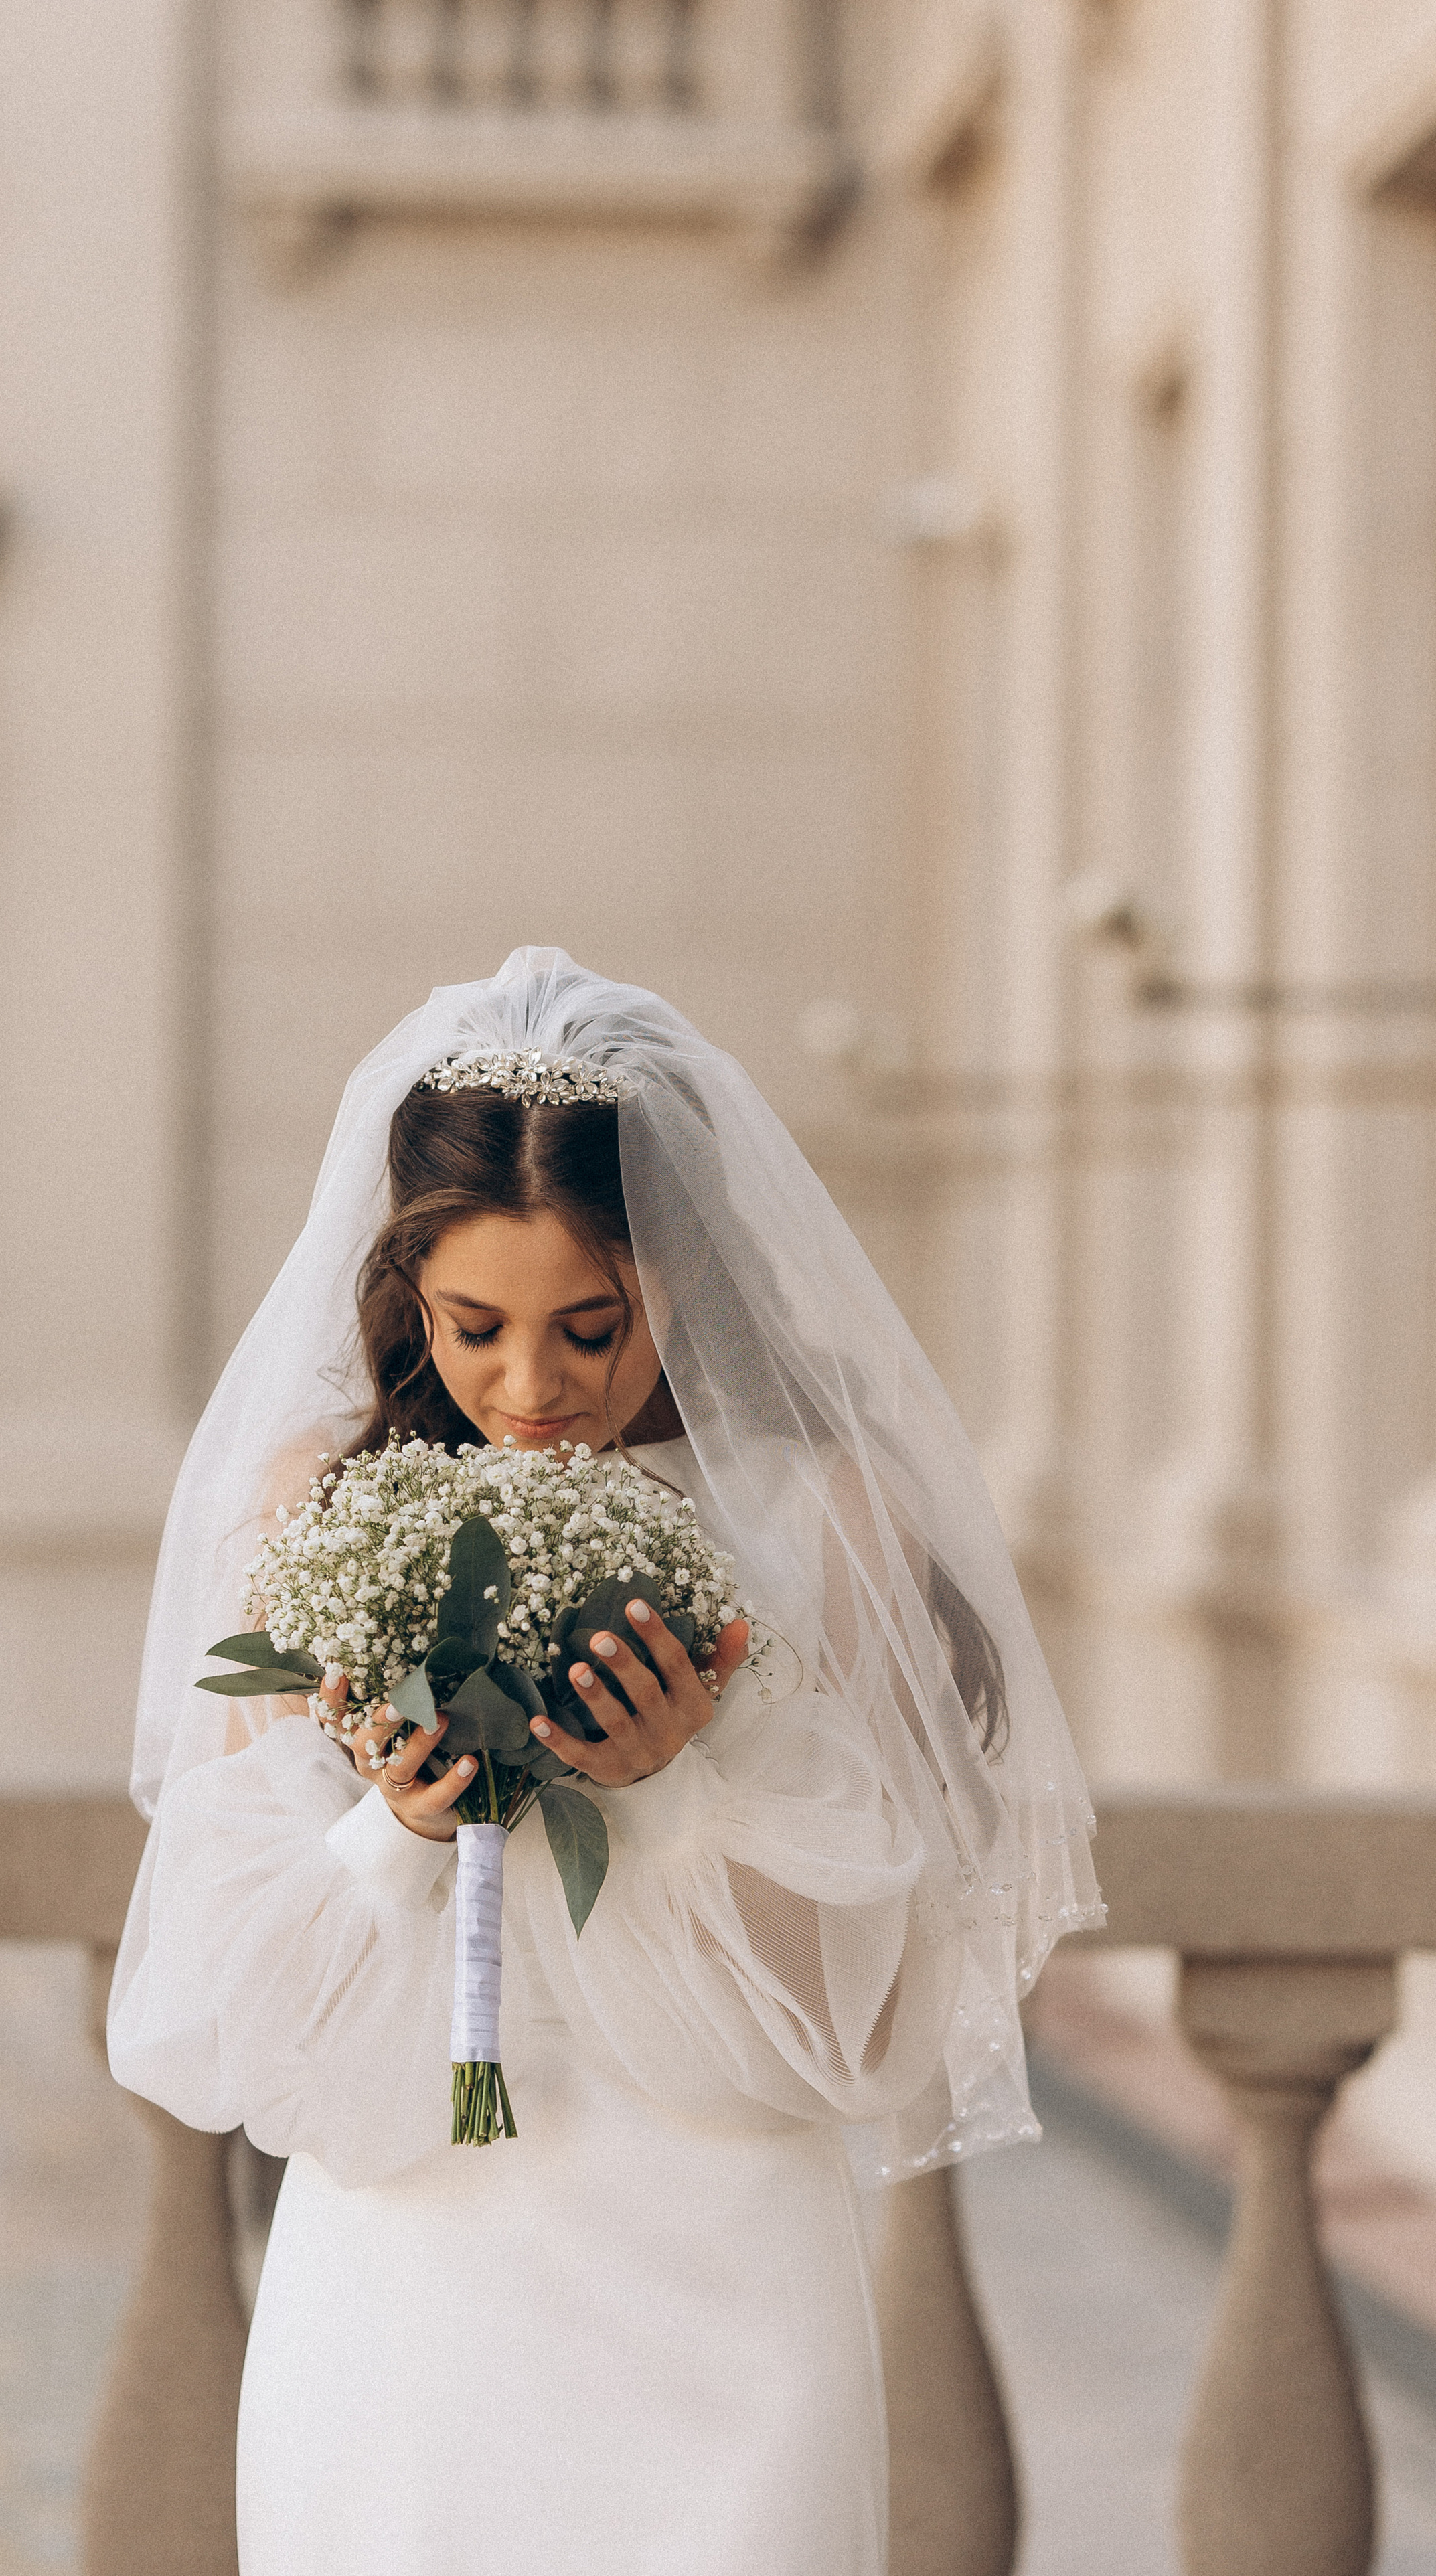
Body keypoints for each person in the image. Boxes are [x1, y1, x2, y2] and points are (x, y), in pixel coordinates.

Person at [109, 948, 1101, 2576]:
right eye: (471, 1326)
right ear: (407, 1292)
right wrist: (393, 1823)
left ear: (685, 1277)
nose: (529, 1388)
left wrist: (677, 1784)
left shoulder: (822, 1518)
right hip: (410, 2279)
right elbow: (227, 2014)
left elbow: (866, 2032)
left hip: (721, 2270)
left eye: (591, 1324)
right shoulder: (310, 1506)